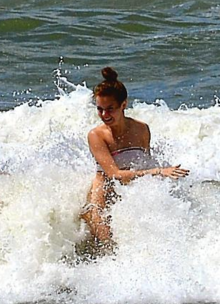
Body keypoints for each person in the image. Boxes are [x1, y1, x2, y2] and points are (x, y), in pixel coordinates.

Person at [80, 67, 188, 251]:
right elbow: (114, 174)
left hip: (130, 189)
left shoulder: (142, 129)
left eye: (110, 109)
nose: (104, 115)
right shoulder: (97, 135)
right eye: (100, 109)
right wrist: (159, 171)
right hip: (104, 188)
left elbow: (145, 164)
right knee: (106, 242)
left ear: (124, 105)